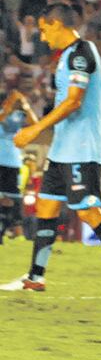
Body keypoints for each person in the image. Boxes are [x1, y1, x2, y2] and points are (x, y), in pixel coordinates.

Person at [0, 4, 101, 296]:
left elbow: (74, 101)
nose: (42, 36)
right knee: (46, 206)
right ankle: (35, 277)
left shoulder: (81, 53)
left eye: (44, 29)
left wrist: (36, 129)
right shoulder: (67, 56)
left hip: (81, 148)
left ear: (57, 24)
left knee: (88, 212)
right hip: (61, 148)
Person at [0, 87, 38, 244]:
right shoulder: (4, 113)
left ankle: (2, 232)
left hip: (13, 162)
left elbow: (35, 124)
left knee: (11, 198)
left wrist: (25, 105)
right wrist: (9, 105)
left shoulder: (18, 116)